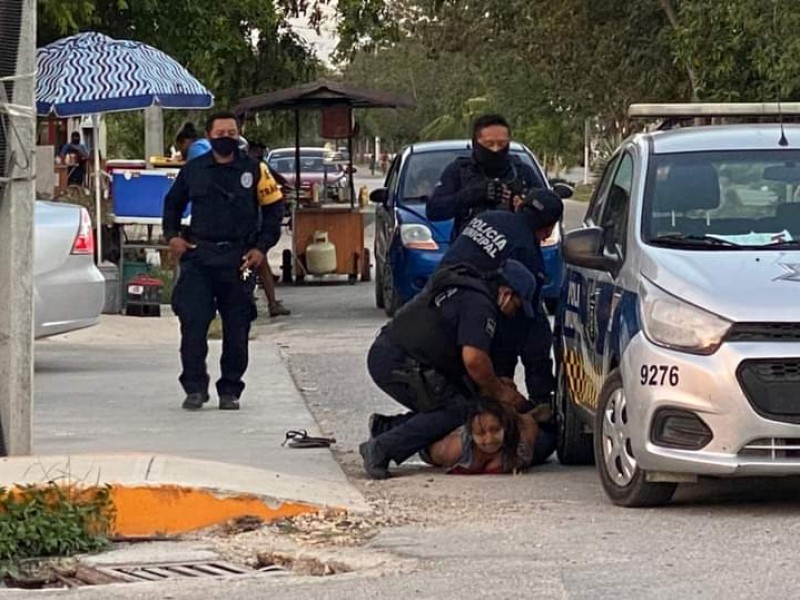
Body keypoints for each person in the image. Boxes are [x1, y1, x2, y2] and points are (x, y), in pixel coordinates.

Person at [360, 259, 538, 480]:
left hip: (398, 354)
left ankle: (387, 428)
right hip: (398, 361)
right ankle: (382, 448)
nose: (514, 313)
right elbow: (474, 360)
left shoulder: (470, 289)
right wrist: (499, 391)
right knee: (458, 409)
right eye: (517, 306)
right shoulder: (480, 305)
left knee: (458, 403)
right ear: (506, 295)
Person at [163, 111, 284, 411]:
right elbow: (172, 203)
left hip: (240, 260)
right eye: (220, 133)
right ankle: (194, 388)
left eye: (232, 133)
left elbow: (274, 210)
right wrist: (172, 237)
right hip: (199, 257)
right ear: (209, 136)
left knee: (238, 327)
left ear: (238, 136)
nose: (226, 138)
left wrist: (261, 248)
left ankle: (230, 390)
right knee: (192, 325)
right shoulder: (194, 170)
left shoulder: (256, 170)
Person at [437, 188, 564, 417]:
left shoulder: (487, 217)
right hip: (475, 310)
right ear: (547, 230)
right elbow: (518, 316)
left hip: (438, 297)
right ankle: (541, 408)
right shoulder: (527, 252)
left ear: (520, 206)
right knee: (532, 329)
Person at [426, 113, 547, 238]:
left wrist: (524, 200)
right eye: (489, 144)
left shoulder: (521, 171)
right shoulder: (459, 170)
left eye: (501, 144)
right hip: (468, 250)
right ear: (475, 143)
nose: (495, 150)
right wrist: (475, 193)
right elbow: (434, 211)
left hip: (515, 249)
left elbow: (549, 208)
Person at [422, 398, 547, 474]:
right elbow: (427, 449)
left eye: (495, 430)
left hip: (516, 434)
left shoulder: (519, 447)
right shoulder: (453, 450)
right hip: (441, 438)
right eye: (480, 433)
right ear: (471, 433)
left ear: (504, 426)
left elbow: (530, 423)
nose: (489, 439)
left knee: (547, 442)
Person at [246, 140, 291, 318]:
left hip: (256, 225)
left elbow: (277, 180)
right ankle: (270, 302)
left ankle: (270, 301)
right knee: (258, 264)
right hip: (251, 227)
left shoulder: (258, 167)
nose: (259, 153)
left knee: (259, 262)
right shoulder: (254, 166)